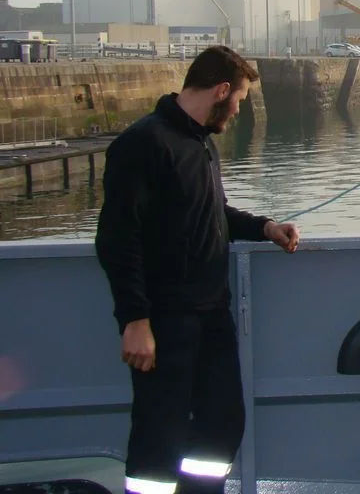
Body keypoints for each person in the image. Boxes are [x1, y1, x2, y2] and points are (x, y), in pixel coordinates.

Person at [95, 46, 300, 494]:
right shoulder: (143, 144)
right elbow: (116, 239)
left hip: (211, 315)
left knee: (223, 423)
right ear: (222, 90)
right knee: (159, 434)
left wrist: (264, 227)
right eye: (240, 100)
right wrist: (135, 320)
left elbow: (214, 213)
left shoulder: (202, 143)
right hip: (165, 320)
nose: (239, 109)